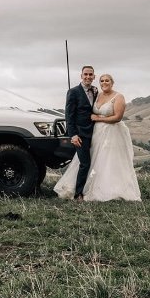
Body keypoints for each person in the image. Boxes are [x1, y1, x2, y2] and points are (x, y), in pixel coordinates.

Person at [55, 73, 141, 202]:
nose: (104, 83)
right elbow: (75, 113)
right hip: (94, 133)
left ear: (112, 82)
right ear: (99, 83)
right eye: (102, 81)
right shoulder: (97, 94)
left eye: (107, 80)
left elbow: (118, 117)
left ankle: (111, 188)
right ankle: (84, 189)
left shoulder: (119, 97)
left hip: (112, 134)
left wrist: (99, 118)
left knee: (109, 161)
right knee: (95, 160)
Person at [62, 65, 97, 201]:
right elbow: (69, 115)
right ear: (81, 76)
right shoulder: (73, 92)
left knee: (92, 162)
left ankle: (91, 188)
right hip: (80, 134)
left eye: (90, 74)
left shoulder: (95, 91)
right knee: (85, 163)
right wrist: (73, 135)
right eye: (85, 74)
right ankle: (78, 194)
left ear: (94, 76)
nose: (88, 77)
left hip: (93, 132)